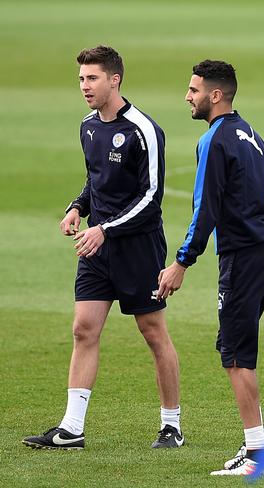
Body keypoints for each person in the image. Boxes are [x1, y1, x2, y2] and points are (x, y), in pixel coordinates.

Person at [22, 46, 184, 450]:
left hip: (137, 248)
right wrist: (79, 207)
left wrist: (105, 229)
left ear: (115, 80)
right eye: (81, 79)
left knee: (153, 333)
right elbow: (96, 180)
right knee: (84, 329)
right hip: (97, 247)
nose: (84, 87)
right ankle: (71, 428)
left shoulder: (143, 129)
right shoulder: (87, 126)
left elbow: (151, 198)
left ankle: (172, 427)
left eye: (92, 78)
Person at [156, 60, 264, 475]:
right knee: (235, 344)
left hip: (245, 254)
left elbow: (205, 208)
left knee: (235, 354)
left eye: (193, 90)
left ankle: (257, 451)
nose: (187, 96)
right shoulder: (253, 135)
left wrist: (181, 262)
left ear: (215, 95)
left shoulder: (214, 139)